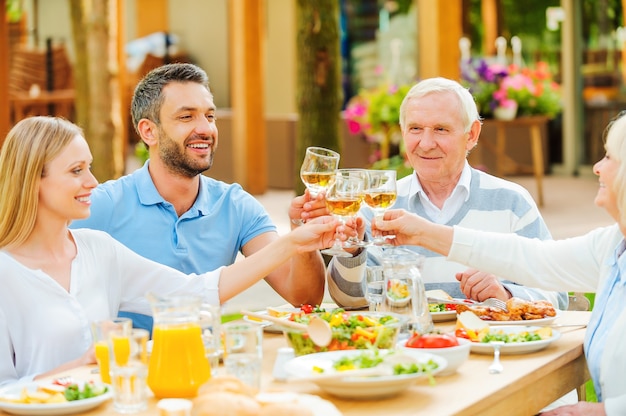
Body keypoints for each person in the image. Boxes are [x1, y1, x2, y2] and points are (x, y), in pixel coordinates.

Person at [0, 116, 338, 386]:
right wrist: (80, 366)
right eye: (76, 171)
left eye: (89, 167)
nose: (92, 181)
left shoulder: (97, 250)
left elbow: (193, 293)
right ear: (33, 181)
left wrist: (294, 242)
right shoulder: (6, 273)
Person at [373, 112, 626, 416]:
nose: (597, 167)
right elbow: (530, 258)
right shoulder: (612, 243)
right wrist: (425, 232)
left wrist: (606, 412)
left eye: (609, 158)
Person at [70, 63, 327, 330]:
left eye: (210, 116)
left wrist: (303, 236)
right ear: (148, 131)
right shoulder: (103, 205)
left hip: (208, 363)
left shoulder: (236, 206)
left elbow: (304, 298)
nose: (205, 129)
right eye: (186, 117)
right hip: (134, 365)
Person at [299, 77, 567, 310]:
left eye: (441, 129)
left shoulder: (511, 202)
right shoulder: (375, 206)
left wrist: (506, 295)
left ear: (471, 134)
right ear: (403, 133)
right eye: (415, 129)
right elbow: (348, 301)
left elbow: (556, 292)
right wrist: (352, 253)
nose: (426, 144)